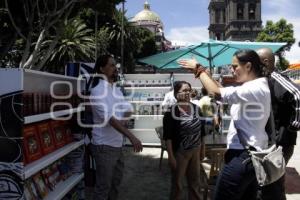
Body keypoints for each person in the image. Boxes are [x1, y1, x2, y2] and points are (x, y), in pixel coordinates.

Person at [179, 49, 271, 200]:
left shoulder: (253, 88)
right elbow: (220, 89)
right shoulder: (255, 86)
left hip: (242, 156)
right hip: (250, 156)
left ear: (248, 66)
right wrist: (205, 73)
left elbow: (215, 93)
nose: (232, 70)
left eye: (235, 67)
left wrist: (198, 69)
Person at [89, 54, 143, 200]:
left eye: (115, 65)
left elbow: (128, 108)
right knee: (103, 187)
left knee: (115, 184)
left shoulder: (115, 89)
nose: (115, 68)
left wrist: (123, 121)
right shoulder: (97, 91)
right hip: (104, 145)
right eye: (112, 65)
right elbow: (110, 120)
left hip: (117, 144)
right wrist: (131, 136)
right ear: (101, 69)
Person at [257, 47, 300, 200]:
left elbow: (298, 95)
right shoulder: (264, 80)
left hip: (281, 143)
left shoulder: (277, 78)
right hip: (271, 143)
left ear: (266, 62)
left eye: (256, 61)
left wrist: (294, 125)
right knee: (269, 184)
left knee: (273, 186)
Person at [163, 81, 204, 200]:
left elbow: (201, 131)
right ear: (176, 94)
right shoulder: (171, 113)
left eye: (189, 90)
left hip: (195, 150)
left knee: (195, 183)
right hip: (180, 153)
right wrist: (171, 156)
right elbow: (168, 137)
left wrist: (203, 149)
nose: (187, 93)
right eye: (184, 90)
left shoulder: (196, 108)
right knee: (178, 184)